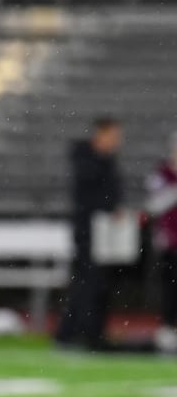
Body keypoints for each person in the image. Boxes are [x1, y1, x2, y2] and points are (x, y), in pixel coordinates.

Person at [54, 116, 123, 351]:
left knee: (94, 284)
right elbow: (91, 197)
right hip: (88, 231)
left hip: (102, 232)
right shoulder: (88, 159)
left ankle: (86, 331)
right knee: (87, 283)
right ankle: (80, 332)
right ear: (100, 134)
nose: (116, 141)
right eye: (113, 135)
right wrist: (109, 209)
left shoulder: (105, 160)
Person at [144, 132, 177, 353]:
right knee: (170, 287)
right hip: (171, 242)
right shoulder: (162, 175)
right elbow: (153, 206)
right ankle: (168, 327)